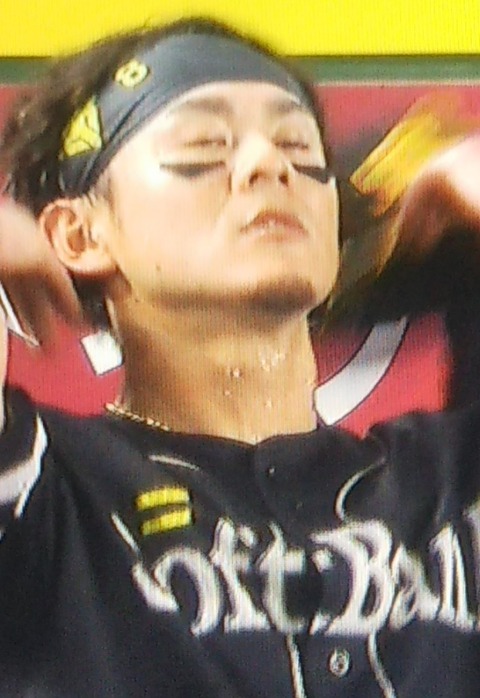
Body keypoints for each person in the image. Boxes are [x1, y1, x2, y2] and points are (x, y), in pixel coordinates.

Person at [1, 16, 480, 698]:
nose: (267, 165)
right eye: (201, 148)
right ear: (78, 234)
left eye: (299, 148)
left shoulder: (446, 487)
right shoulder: (50, 495)